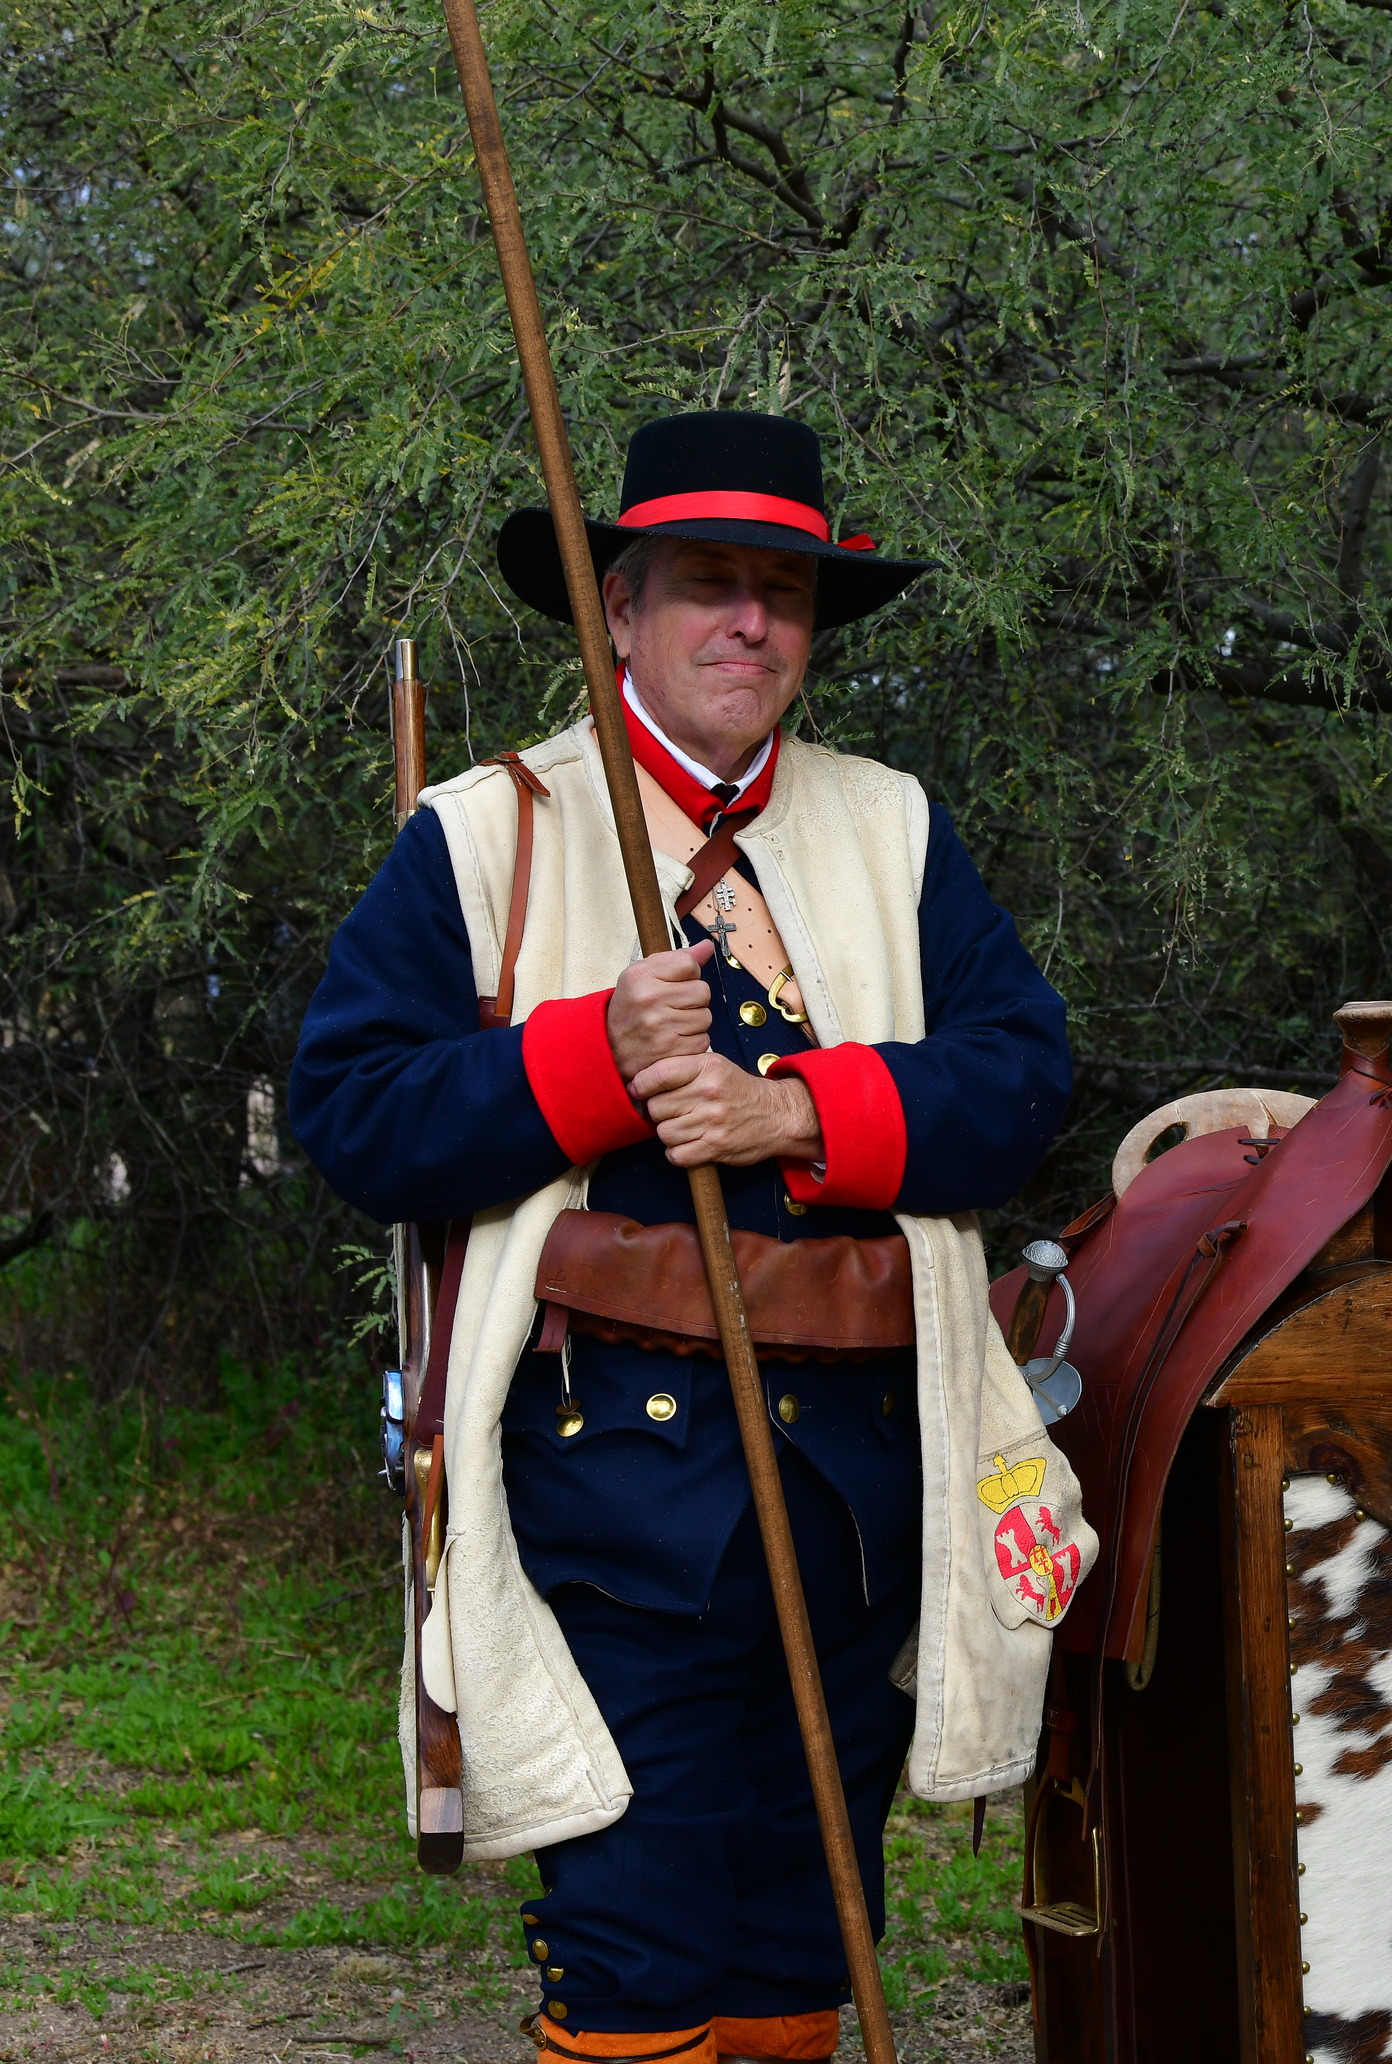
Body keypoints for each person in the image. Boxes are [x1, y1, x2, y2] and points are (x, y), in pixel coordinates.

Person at [289, 411, 1087, 2064]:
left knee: (803, 1933)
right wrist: (588, 1057)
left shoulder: (891, 827)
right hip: (605, 1493)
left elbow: (1022, 1082)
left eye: (782, 594)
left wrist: (796, 1114)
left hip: (860, 1484)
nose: (749, 623)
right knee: (637, 1937)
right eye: (709, 584)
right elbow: (354, 1115)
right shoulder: (486, 831)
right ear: (621, 612)